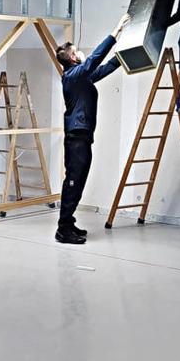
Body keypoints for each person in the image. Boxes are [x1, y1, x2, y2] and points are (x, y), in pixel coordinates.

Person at [54, 13, 131, 244]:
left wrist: (126, 51)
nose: (81, 52)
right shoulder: (72, 76)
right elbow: (95, 60)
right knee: (74, 181)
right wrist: (115, 31)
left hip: (83, 137)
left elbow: (105, 67)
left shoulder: (82, 77)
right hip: (76, 138)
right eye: (76, 51)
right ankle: (63, 230)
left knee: (78, 181)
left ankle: (68, 223)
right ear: (73, 59)